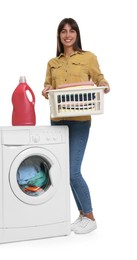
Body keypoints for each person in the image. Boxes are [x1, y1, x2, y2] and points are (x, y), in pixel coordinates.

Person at [42, 18, 110, 234]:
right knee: (62, 170)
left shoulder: (88, 57)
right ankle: (82, 215)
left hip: (80, 121)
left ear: (77, 34)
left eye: (72, 31)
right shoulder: (53, 62)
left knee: (73, 171)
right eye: (63, 31)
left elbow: (99, 78)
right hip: (58, 120)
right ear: (59, 36)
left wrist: (104, 84)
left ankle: (90, 216)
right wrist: (44, 91)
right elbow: (48, 87)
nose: (68, 35)